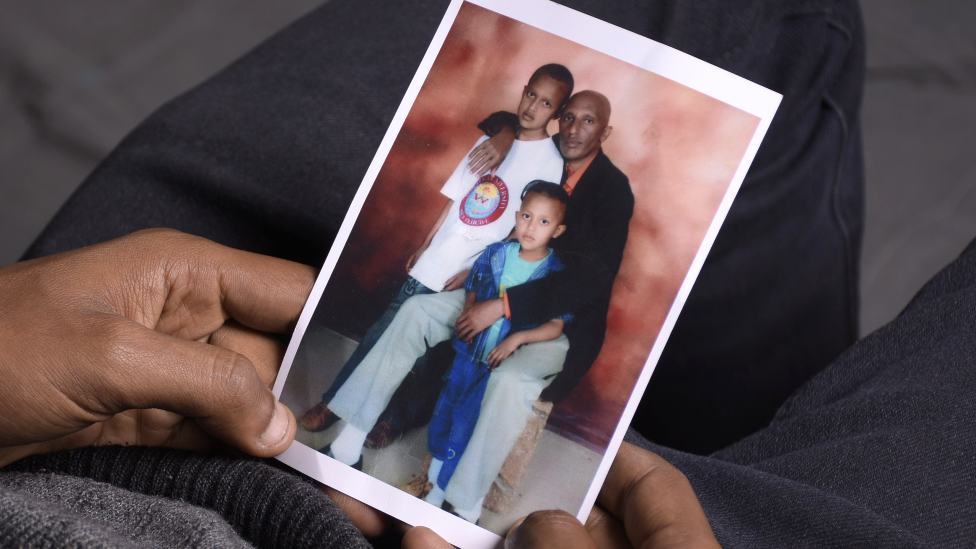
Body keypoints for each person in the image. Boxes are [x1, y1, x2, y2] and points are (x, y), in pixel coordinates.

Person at [15, 0, 969, 547]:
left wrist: (510, 311)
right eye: (567, 116)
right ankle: (365, 438)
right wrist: (486, 229)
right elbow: (487, 200)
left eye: (582, 118)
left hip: (63, 451)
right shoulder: (520, 150)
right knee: (416, 320)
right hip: (199, 482)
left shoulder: (611, 192)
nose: (576, 127)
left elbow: (585, 284)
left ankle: (495, 474)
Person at [300, 63, 573, 449]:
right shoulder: (493, 139)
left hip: (476, 271)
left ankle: (395, 419)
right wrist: (428, 241)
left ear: (557, 115)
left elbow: (524, 229)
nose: (533, 107)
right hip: (440, 256)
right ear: (523, 89)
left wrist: (480, 270)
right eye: (531, 95)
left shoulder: (549, 160)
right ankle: (336, 405)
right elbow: (459, 198)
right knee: (383, 333)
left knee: (433, 356)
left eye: (546, 103)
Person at [424, 183, 572, 522]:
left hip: (493, 363)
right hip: (467, 354)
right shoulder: (495, 253)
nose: (531, 227)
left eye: (544, 222)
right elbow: (475, 289)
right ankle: (434, 478)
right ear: (517, 217)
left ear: (559, 230)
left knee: (467, 424)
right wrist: (469, 312)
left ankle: (446, 491)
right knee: (446, 411)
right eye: (526, 216)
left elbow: (556, 326)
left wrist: (516, 340)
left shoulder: (554, 274)